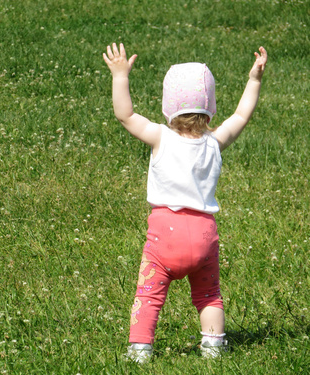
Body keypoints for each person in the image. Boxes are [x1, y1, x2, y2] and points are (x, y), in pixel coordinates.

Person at [103, 43, 267, 362]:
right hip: (205, 234)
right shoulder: (216, 142)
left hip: (166, 233)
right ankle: (214, 347)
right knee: (208, 295)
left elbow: (125, 115)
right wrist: (254, 79)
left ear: (169, 105)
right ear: (210, 105)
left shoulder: (159, 137)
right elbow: (242, 115)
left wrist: (120, 75)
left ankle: (140, 349)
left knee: (148, 295)